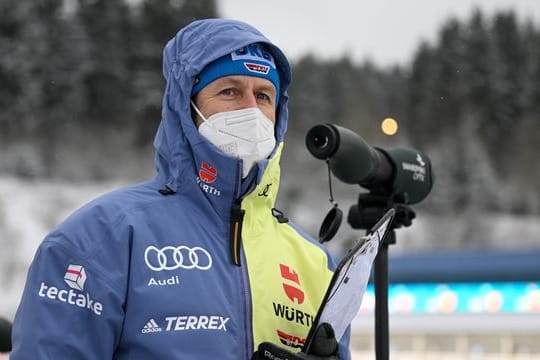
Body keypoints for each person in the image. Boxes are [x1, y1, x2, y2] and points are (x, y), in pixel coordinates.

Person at [11, 18, 351, 359]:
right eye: (229, 91)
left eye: (263, 96)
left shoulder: (314, 262)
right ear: (185, 107)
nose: (250, 110)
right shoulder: (100, 239)